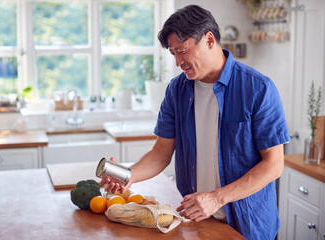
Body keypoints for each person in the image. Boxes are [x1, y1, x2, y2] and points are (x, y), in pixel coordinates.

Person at [101, 4, 290, 240]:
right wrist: (129, 176)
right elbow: (161, 152)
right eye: (173, 54)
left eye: (182, 50)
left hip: (248, 225)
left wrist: (216, 198)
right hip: (198, 221)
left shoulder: (258, 88)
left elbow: (273, 165)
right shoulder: (176, 90)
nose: (178, 62)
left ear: (209, 40)